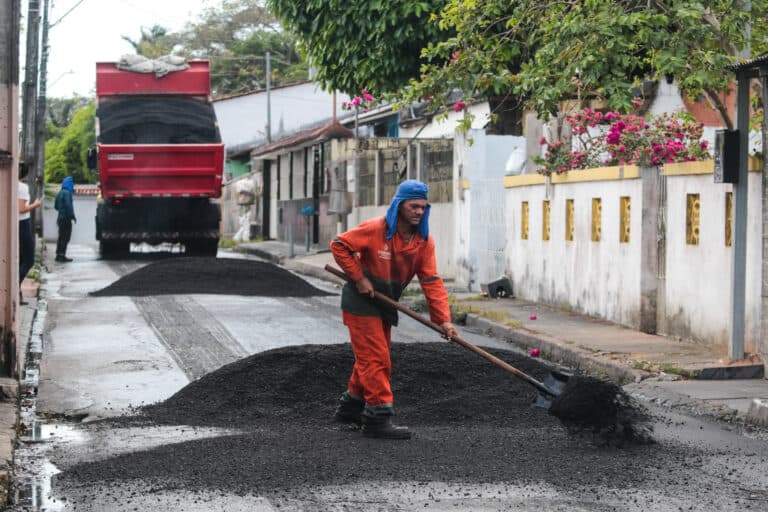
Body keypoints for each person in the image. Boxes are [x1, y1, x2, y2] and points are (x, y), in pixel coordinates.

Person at [330, 179, 459, 440]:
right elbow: (340, 245)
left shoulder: (423, 242)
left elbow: (431, 282)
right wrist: (359, 278)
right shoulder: (376, 229)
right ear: (400, 205)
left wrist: (443, 321)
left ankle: (351, 408)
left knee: (370, 357)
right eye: (414, 206)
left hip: (384, 303)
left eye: (423, 208)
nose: (419, 212)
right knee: (376, 358)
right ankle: (378, 416)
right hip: (360, 302)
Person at [18, 164, 42, 304]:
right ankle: (16, 285)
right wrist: (36, 204)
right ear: (26, 175)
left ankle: (18, 292)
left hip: (15, 224)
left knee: (20, 260)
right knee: (28, 260)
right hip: (23, 223)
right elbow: (21, 209)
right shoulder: (22, 187)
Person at [54, 176, 76, 262]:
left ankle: (58, 254)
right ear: (69, 184)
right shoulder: (67, 193)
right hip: (66, 218)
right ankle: (62, 256)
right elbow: (68, 205)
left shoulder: (59, 193)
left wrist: (61, 210)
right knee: (65, 237)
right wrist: (72, 216)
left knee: (61, 236)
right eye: (72, 183)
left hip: (60, 218)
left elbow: (55, 207)